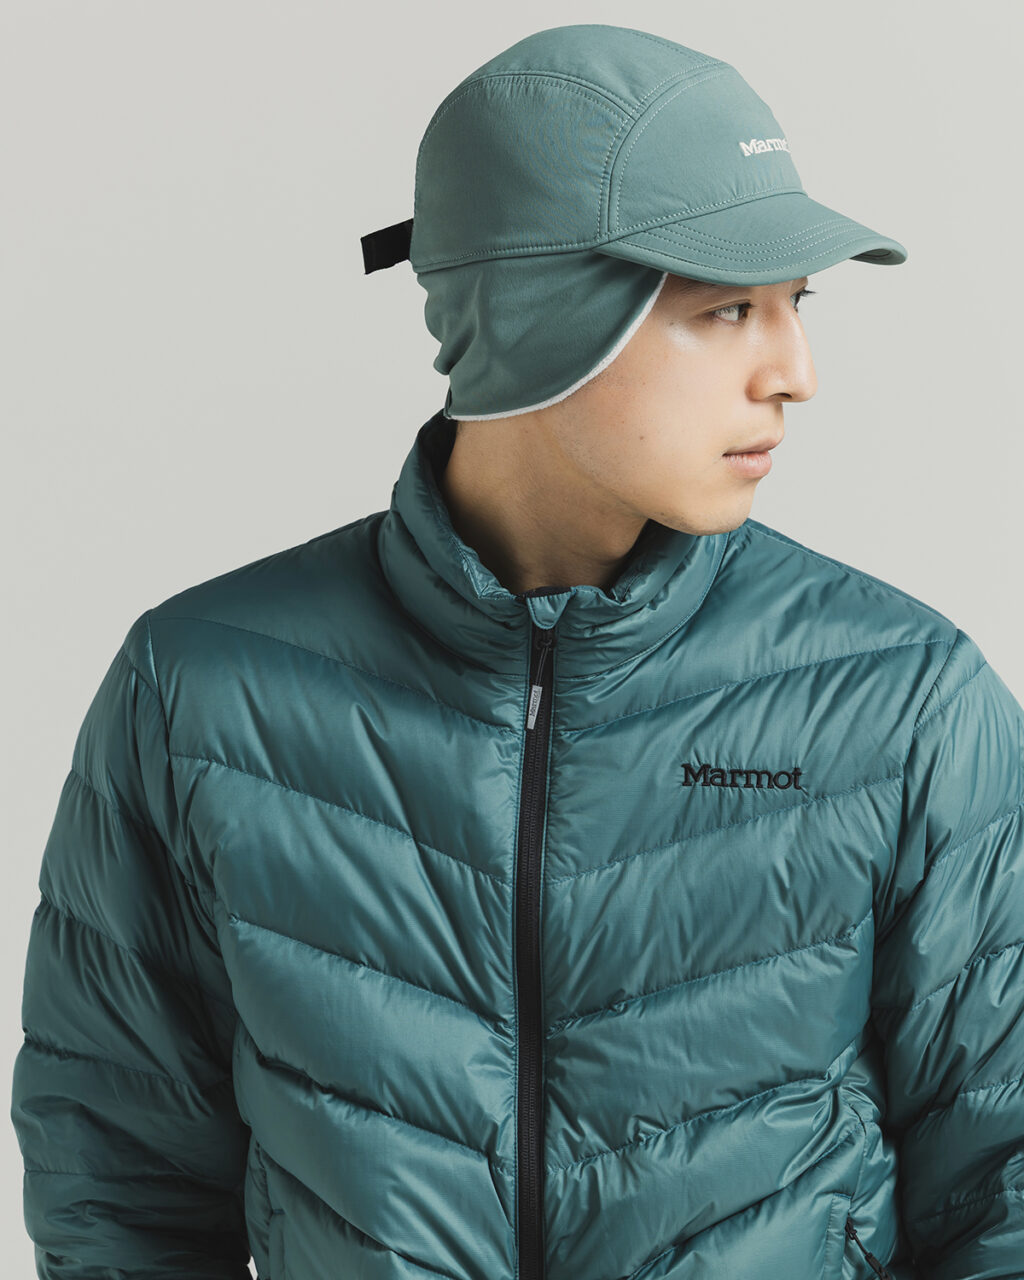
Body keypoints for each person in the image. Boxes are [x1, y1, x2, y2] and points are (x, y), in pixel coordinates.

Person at [10, 23, 1024, 1280]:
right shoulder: (203, 694)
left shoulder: (903, 704)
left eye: (795, 304)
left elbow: (1006, 1187)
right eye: (727, 308)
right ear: (541, 316)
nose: (794, 373)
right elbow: (120, 1189)